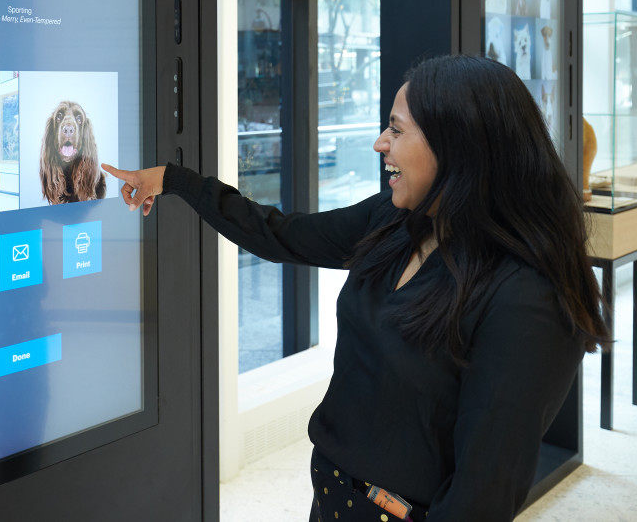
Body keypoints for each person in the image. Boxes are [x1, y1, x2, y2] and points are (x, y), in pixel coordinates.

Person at [103, 55, 609, 521]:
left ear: (458, 145)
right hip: (333, 500)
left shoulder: (527, 298)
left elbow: (482, 496)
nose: (379, 143)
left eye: (396, 129)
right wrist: (175, 181)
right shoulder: (395, 218)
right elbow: (280, 233)